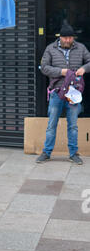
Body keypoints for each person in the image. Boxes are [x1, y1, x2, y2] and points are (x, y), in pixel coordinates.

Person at [37, 23, 90, 164]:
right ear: (60, 37)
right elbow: (44, 68)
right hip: (56, 92)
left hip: (74, 93)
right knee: (51, 124)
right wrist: (61, 72)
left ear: (73, 38)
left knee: (73, 125)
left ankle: (73, 154)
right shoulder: (50, 49)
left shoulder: (81, 48)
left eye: (70, 38)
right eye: (65, 38)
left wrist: (84, 68)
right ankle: (46, 152)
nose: (67, 40)